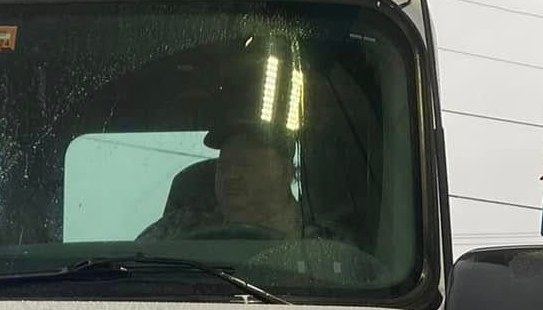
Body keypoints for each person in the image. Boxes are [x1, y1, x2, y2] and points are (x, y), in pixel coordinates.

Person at [142, 119, 383, 287]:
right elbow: (136, 267)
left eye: (246, 165)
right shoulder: (178, 227)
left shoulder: (329, 245)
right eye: (224, 166)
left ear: (286, 172)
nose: (231, 175)